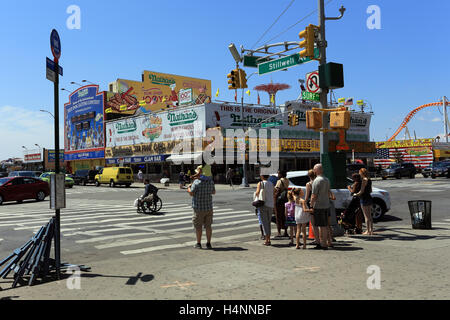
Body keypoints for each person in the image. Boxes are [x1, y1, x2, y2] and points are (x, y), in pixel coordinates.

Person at [188, 167, 216, 249]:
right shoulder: (210, 182)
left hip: (198, 208)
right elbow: (213, 192)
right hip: (208, 207)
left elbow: (191, 193)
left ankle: (198, 243)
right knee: (208, 226)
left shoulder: (196, 182)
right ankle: (208, 243)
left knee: (198, 226)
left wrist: (189, 187)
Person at [310, 164, 331, 250]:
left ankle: (320, 243)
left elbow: (313, 195)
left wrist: (311, 205)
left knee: (317, 225)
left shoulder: (316, 181)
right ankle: (324, 242)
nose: (314, 171)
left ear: (317, 170)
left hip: (318, 206)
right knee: (325, 225)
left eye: (314, 170)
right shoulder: (327, 180)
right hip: (326, 204)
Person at [255, 174, 274, 246]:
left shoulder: (260, 183)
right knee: (268, 223)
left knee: (264, 223)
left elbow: (257, 193)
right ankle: (268, 238)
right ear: (268, 176)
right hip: (270, 205)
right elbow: (273, 193)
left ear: (262, 176)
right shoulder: (271, 183)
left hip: (263, 204)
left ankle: (267, 240)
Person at [355, 168, 374, 235]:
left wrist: (356, 194)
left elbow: (361, 191)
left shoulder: (364, 180)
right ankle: (371, 230)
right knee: (370, 215)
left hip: (364, 198)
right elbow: (371, 190)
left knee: (366, 216)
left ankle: (367, 230)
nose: (359, 174)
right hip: (369, 197)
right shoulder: (369, 180)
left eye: (360, 173)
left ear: (362, 173)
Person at [305, 169, 320, 245]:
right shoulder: (318, 182)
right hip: (320, 203)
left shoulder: (308, 184)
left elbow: (307, 196)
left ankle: (317, 239)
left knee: (313, 224)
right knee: (321, 223)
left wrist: (303, 203)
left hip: (312, 204)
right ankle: (323, 238)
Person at [274, 170, 289, 238]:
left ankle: (279, 232)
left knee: (278, 216)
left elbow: (277, 191)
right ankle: (285, 231)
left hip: (279, 200)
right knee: (284, 216)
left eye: (278, 173)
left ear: (281, 174)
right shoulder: (287, 180)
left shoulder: (279, 181)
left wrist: (274, 200)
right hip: (285, 199)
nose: (277, 174)